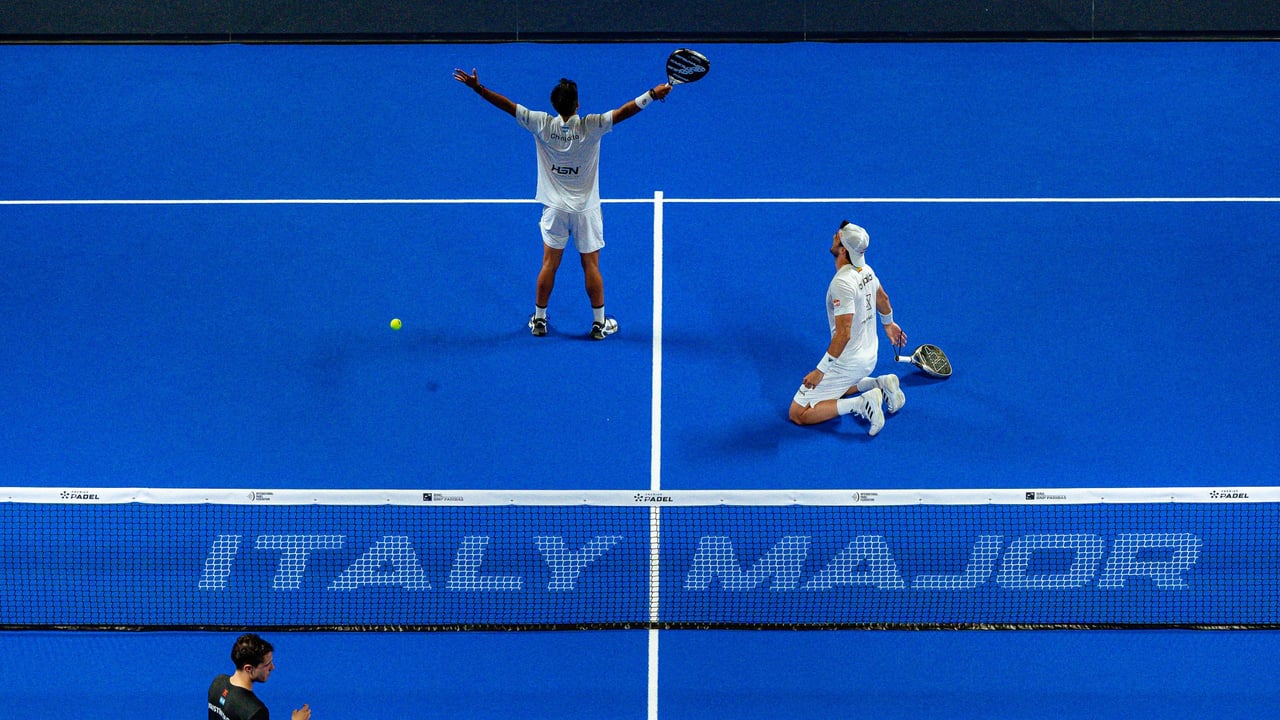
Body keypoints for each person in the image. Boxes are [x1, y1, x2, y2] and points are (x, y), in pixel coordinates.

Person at [452, 67, 671, 339]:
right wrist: (652, 94)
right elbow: (625, 111)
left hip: (555, 210)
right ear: (577, 104)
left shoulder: (541, 123)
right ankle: (599, 324)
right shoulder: (591, 125)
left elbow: (508, 106)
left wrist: (478, 88)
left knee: (549, 264)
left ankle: (539, 320)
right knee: (591, 266)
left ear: (554, 105)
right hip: (586, 211)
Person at [789, 221, 908, 436]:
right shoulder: (867, 270)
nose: (834, 236)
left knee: (798, 412)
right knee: (839, 387)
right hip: (869, 356)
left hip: (849, 362)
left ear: (843, 250)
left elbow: (844, 334)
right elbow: (883, 298)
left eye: (838, 237)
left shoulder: (841, 283)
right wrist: (889, 324)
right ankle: (880, 384)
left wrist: (820, 371)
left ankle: (861, 403)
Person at [208, 633, 311, 720]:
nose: (272, 667)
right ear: (248, 668)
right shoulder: (254, 711)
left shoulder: (217, 682)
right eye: (267, 664)